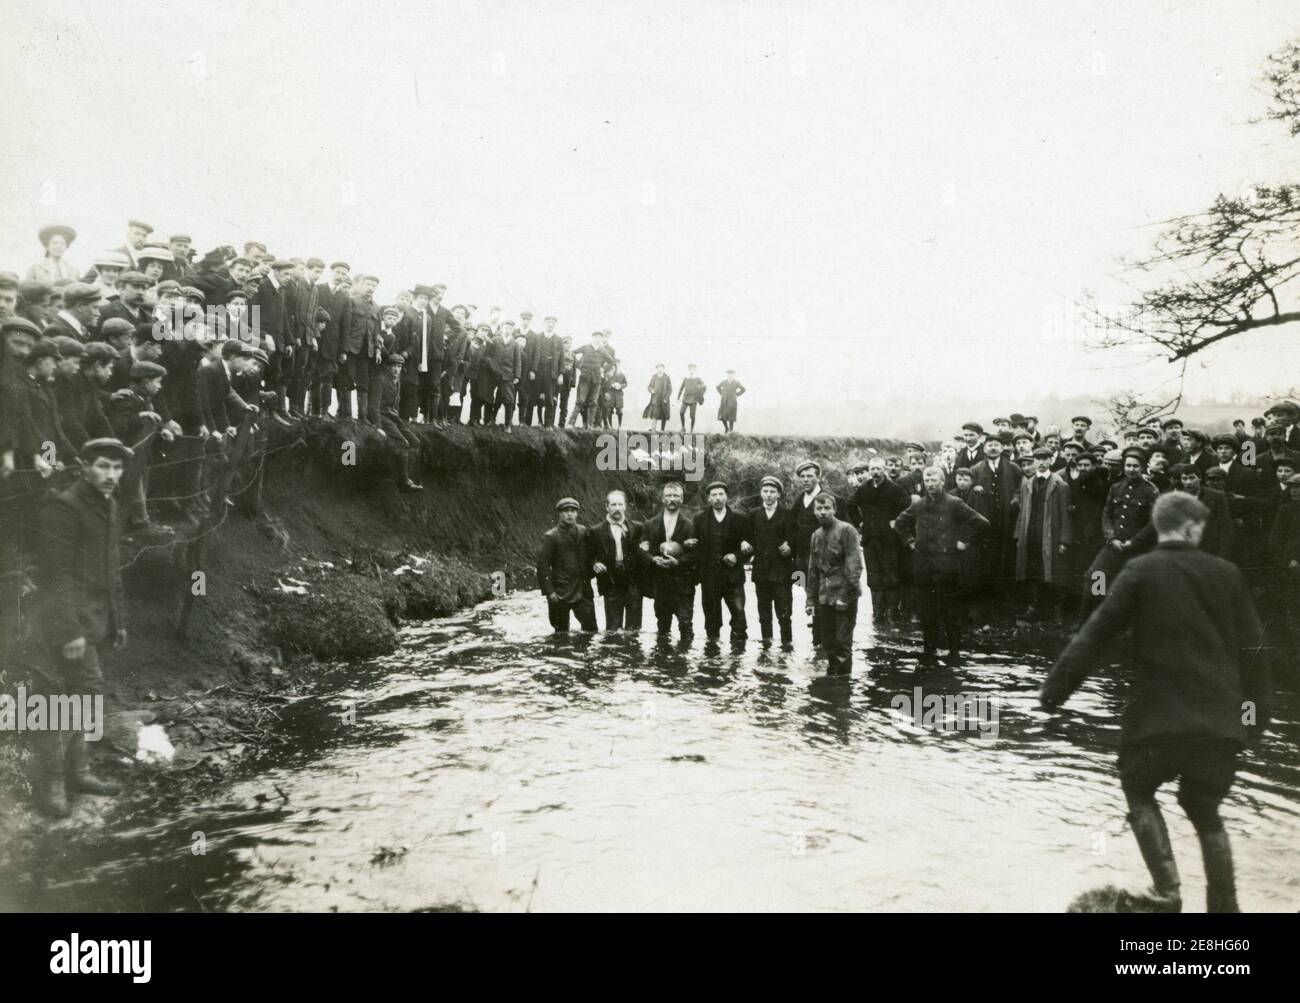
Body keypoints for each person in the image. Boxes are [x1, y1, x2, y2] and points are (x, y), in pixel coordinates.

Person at [1041, 492, 1268, 913]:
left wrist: (1054, 693)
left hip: (1156, 722)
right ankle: (1225, 907)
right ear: (1191, 527)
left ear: (1161, 526)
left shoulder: (1139, 571)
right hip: (1218, 725)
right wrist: (1253, 719)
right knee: (1205, 809)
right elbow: (1255, 649)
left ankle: (1167, 891)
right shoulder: (1227, 573)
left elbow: (1094, 637)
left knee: (1139, 788)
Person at [31, 437, 134, 818]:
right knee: (67, 697)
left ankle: (80, 772)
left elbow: (111, 567)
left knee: (85, 695)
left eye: (117, 467)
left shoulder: (109, 503)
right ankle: (53, 785)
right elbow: (54, 576)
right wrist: (69, 630)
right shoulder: (65, 506)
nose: (111, 475)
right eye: (103, 466)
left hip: (96, 617)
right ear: (85, 467)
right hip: (67, 620)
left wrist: (118, 621)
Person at [894, 466, 989, 665]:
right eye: (927, 481)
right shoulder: (919, 504)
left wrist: (964, 541)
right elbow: (901, 522)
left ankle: (954, 653)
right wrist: (910, 541)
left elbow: (981, 522)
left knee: (950, 613)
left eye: (934, 480)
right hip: (923, 567)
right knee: (927, 614)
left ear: (943, 482)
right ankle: (929, 653)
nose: (930, 484)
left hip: (947, 567)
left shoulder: (954, 503)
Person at [1077, 446, 1159, 625]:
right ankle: (1089, 621)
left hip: (1138, 548)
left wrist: (1133, 542)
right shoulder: (1116, 488)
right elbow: (1106, 515)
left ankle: (1131, 627)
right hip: (1113, 546)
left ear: (1143, 467)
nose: (1131, 469)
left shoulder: (1150, 491)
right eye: (1128, 466)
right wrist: (1111, 538)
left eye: (1135, 466)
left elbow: (1153, 522)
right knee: (1096, 576)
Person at [805, 493, 864, 675]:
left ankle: (842, 686)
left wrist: (845, 597)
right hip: (824, 598)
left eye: (827, 508)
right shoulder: (816, 535)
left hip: (844, 596)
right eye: (819, 509)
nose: (823, 512)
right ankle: (831, 685)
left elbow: (855, 566)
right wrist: (810, 601)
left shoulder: (847, 530)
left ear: (835, 509)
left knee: (842, 644)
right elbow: (813, 571)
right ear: (814, 511)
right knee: (828, 643)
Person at [1014, 446, 1072, 622]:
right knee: (1033, 572)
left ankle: (1055, 611)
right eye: (1037, 459)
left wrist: (1064, 540)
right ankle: (1035, 609)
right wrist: (1018, 535)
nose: (1041, 462)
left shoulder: (1060, 485)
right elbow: (1022, 510)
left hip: (1050, 536)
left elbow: (1065, 514)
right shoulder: (1028, 484)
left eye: (1045, 459)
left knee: (1052, 573)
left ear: (1051, 461)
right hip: (1031, 535)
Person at [852, 457, 910, 623]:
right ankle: (878, 612)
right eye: (872, 469)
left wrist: (896, 521)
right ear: (869, 470)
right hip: (870, 539)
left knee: (890, 575)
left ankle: (892, 612)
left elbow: (907, 507)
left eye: (878, 469)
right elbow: (850, 505)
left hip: (889, 539)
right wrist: (859, 523)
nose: (875, 472)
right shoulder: (864, 488)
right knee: (874, 576)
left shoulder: (895, 489)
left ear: (884, 469)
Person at [690, 481, 749, 641]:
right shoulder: (699, 519)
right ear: (708, 498)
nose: (718, 498)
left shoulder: (739, 519)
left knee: (740, 619)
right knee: (712, 622)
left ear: (726, 496)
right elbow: (695, 549)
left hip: (733, 578)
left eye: (721, 494)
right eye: (714, 495)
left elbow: (750, 546)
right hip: (709, 579)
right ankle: (712, 660)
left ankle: (737, 659)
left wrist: (737, 556)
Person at [639, 480, 697, 639]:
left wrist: (677, 562)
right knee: (663, 626)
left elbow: (696, 555)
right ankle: (663, 661)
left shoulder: (691, 526)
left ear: (682, 499)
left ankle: (684, 661)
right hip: (660, 583)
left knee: (685, 626)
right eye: (668, 495)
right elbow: (642, 550)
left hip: (683, 585)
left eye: (676, 496)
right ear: (663, 499)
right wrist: (653, 559)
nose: (672, 499)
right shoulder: (650, 524)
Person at [536, 497, 597, 632]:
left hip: (583, 590)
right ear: (560, 514)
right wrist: (549, 591)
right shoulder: (551, 536)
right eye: (566, 511)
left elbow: (591, 555)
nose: (570, 514)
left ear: (577, 513)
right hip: (560, 591)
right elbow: (543, 565)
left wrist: (594, 567)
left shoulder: (583, 531)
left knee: (591, 630)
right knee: (561, 633)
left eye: (573, 511)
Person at [748, 474, 795, 646]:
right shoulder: (753, 514)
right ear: (761, 493)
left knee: (784, 611)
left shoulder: (788, 514)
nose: (768, 495)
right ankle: (766, 644)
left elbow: (795, 539)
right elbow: (747, 537)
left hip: (782, 570)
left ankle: (787, 644)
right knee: (763, 611)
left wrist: (790, 547)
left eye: (772, 492)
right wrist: (745, 543)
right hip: (761, 570)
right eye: (765, 491)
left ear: (779, 494)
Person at [589, 489, 643, 630]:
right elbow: (588, 556)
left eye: (620, 504)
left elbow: (643, 554)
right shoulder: (596, 531)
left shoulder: (637, 527)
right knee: (613, 630)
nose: (617, 508)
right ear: (607, 507)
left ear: (625, 506)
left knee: (634, 629)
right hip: (611, 583)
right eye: (613, 505)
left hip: (633, 584)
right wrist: (595, 564)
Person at [677, 365, 706, 432]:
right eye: (690, 369)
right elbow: (681, 388)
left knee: (692, 415)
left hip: (694, 399)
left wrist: (700, 391)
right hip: (685, 398)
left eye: (693, 369)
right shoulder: (686, 378)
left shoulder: (697, 379)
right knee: (681, 412)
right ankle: (683, 427)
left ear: (695, 370)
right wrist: (678, 398)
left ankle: (691, 429)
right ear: (689, 370)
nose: (691, 371)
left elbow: (704, 387)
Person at [644, 364, 671, 432]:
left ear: (663, 368)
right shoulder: (654, 377)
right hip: (655, 399)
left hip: (664, 399)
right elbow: (649, 387)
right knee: (654, 414)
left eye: (661, 368)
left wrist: (666, 398)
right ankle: (653, 429)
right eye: (658, 368)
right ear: (657, 369)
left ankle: (662, 430)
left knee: (663, 415)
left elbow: (670, 389)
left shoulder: (667, 378)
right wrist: (651, 390)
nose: (660, 369)